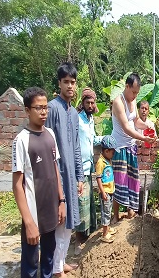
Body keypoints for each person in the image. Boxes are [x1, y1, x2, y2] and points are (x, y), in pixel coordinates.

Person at [12, 87, 66, 278]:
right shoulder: (21, 140)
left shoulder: (50, 134)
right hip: (34, 215)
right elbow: (17, 185)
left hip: (52, 210)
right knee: (30, 264)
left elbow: (56, 171)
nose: (43, 112)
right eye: (38, 108)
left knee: (48, 260)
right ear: (27, 110)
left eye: (45, 107)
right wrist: (28, 222)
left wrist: (62, 201)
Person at [45, 62, 84, 277]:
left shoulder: (74, 114)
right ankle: (55, 268)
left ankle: (60, 262)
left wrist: (79, 176)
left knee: (68, 221)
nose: (70, 86)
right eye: (66, 82)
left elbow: (76, 147)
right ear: (59, 83)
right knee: (59, 222)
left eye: (73, 82)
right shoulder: (52, 108)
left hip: (71, 176)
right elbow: (47, 144)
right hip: (57, 175)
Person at [111, 73, 156, 222]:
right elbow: (126, 127)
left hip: (130, 147)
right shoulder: (118, 102)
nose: (135, 95)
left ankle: (130, 212)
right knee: (120, 181)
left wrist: (147, 126)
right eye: (133, 91)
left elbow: (136, 121)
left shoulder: (133, 100)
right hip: (120, 147)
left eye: (137, 92)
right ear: (127, 86)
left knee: (132, 180)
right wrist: (142, 137)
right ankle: (116, 215)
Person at [75, 88, 102, 253]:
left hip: (88, 167)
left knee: (88, 204)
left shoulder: (90, 120)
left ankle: (85, 237)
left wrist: (105, 139)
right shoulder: (77, 119)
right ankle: (78, 242)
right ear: (83, 103)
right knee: (81, 205)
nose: (90, 105)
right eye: (87, 102)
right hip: (80, 168)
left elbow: (92, 139)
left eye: (92, 102)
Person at [95, 135, 118, 243]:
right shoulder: (100, 162)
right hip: (105, 192)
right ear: (106, 151)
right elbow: (98, 178)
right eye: (112, 152)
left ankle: (107, 229)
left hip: (110, 190)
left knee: (109, 210)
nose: (113, 154)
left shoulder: (107, 160)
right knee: (106, 212)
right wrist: (103, 192)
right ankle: (105, 234)